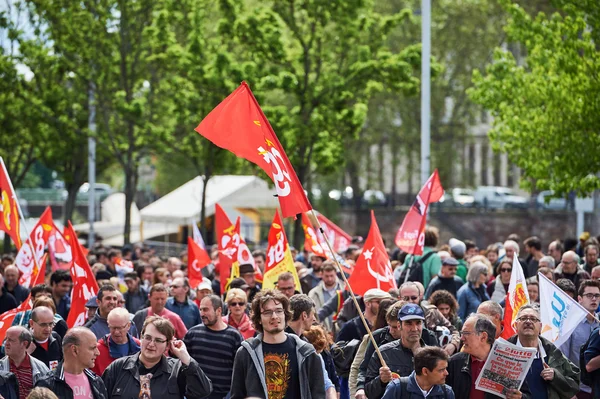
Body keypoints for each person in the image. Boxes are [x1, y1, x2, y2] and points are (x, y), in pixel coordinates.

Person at [230, 289, 325, 399]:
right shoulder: (245, 354)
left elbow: (318, 395)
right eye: (267, 312)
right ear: (259, 319)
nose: (274, 316)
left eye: (279, 311)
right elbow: (236, 395)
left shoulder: (307, 353)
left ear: (285, 314)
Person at [102, 315, 212, 398]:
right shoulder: (119, 367)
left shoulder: (177, 370)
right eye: (148, 338)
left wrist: (185, 358)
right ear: (141, 337)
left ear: (167, 345)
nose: (151, 344)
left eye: (158, 340)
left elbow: (203, 392)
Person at [447, 314, 527, 399]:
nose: (462, 338)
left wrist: (520, 397)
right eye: (461, 333)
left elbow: (527, 395)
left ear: (483, 337)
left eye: (466, 333)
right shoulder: (454, 363)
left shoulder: (509, 364)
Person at [508, 305, 579, 399]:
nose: (528, 322)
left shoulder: (552, 352)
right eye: (523, 318)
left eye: (533, 319)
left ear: (540, 326)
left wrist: (556, 376)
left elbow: (574, 385)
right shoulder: (504, 350)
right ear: (516, 325)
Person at [184, 295, 243, 399]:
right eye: (201, 309)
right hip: (194, 396)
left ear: (218, 311)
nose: (202, 313)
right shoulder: (192, 333)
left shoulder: (234, 336)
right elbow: (183, 365)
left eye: (206, 309)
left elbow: (241, 370)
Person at [364, 303, 426, 399]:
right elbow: (369, 392)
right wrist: (381, 381)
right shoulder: (384, 353)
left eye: (418, 323)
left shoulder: (432, 356)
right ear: (399, 326)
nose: (414, 329)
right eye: (408, 323)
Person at [35, 327, 108, 399]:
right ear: (74, 350)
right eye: (92, 348)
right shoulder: (47, 385)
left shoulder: (96, 381)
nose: (97, 353)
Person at [559, 280, 600, 398]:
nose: (593, 299)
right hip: (578, 389)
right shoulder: (570, 324)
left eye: (597, 295)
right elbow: (562, 358)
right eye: (589, 295)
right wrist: (568, 392)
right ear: (579, 299)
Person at [381, 346, 455, 399]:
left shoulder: (447, 393)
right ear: (425, 371)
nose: (446, 373)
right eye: (441, 370)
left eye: (445, 369)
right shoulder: (397, 388)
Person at [0, 326, 49, 399]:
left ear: (24, 344)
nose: (6, 343)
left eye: (11, 340)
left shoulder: (41, 368)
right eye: (6, 339)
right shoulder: (1, 367)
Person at [91, 307, 141, 376]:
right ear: (108, 325)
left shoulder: (139, 346)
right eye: (113, 328)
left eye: (120, 328)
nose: (116, 332)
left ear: (128, 325)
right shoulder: (98, 350)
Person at [309, 262, 345, 332]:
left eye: (332, 276)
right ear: (321, 275)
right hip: (323, 332)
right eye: (327, 276)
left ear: (336, 274)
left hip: (342, 331)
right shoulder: (313, 293)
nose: (330, 279)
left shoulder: (345, 290)